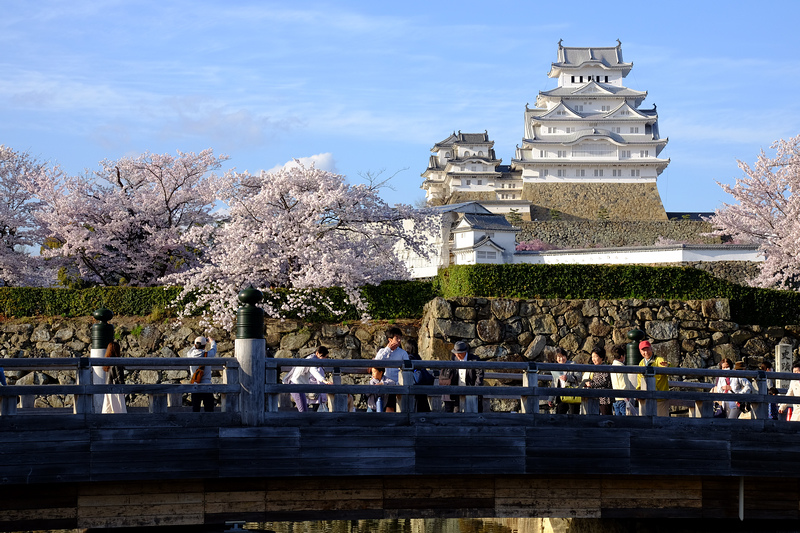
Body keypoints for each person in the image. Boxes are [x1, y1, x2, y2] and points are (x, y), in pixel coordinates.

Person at [439, 341, 484, 413]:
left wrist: (476, 388)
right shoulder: (453, 359)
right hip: (457, 390)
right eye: (456, 354)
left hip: (470, 388)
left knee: (473, 412)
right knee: (456, 411)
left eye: (459, 354)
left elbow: (480, 374)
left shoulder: (474, 359)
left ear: (464, 352)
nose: (457, 355)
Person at [283, 346, 330, 413]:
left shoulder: (311, 358)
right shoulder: (312, 360)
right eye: (323, 357)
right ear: (317, 353)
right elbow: (314, 371)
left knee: (304, 410)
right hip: (296, 384)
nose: (324, 360)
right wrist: (323, 380)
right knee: (303, 410)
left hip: (299, 385)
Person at [374, 327, 409, 412]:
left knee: (391, 393)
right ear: (390, 340)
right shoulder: (383, 351)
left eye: (400, 338)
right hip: (385, 381)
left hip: (398, 383)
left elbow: (407, 369)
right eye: (397, 338)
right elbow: (377, 363)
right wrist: (388, 349)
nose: (399, 340)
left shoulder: (403, 353)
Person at [637, 340, 671, 417]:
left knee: (662, 420)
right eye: (643, 350)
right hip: (646, 397)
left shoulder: (659, 360)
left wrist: (667, 366)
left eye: (647, 349)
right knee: (646, 421)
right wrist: (638, 391)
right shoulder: (641, 363)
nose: (646, 352)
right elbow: (639, 380)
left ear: (651, 349)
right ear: (640, 352)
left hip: (660, 397)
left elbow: (670, 371)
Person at [187, 335, 217, 412]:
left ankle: (196, 423)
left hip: (195, 384)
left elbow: (191, 350)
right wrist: (212, 341)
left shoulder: (190, 355)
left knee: (195, 408)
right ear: (205, 346)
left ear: (194, 345)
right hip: (207, 385)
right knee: (209, 409)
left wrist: (197, 342)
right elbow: (214, 349)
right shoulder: (208, 355)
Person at [547, 347, 581, 415]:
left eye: (563, 356)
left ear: (566, 356)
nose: (561, 359)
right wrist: (550, 398)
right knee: (559, 415)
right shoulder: (555, 369)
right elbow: (554, 384)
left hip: (572, 394)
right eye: (559, 357)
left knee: (573, 416)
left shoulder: (573, 364)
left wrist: (567, 378)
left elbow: (579, 377)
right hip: (561, 394)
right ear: (556, 358)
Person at [582, 346, 612, 415]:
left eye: (595, 357)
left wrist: (591, 384)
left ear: (601, 357)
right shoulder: (596, 367)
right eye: (592, 357)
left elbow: (604, 380)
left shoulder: (605, 367)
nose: (593, 359)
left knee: (606, 417)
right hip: (596, 397)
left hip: (604, 398)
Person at [610, 344, 636, 416]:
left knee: (618, 416)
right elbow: (623, 382)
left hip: (616, 396)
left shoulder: (612, 366)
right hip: (623, 397)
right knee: (624, 417)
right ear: (622, 356)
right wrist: (626, 394)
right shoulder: (621, 367)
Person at [101, 341, 127, 414]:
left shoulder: (107, 363)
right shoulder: (117, 362)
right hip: (116, 389)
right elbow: (119, 377)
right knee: (119, 410)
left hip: (108, 387)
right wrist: (123, 388)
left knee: (108, 409)